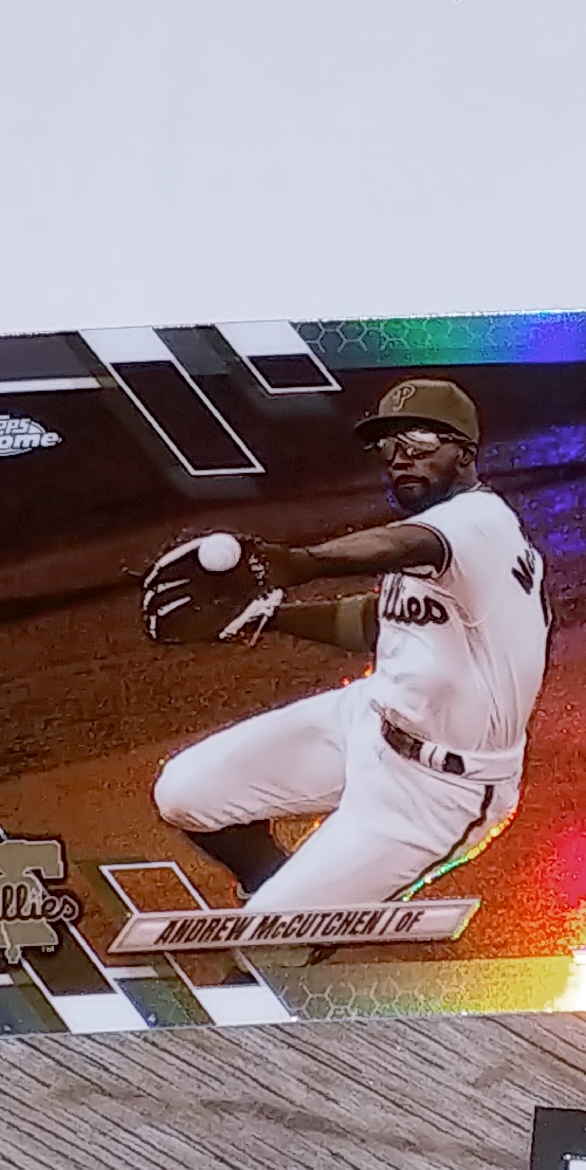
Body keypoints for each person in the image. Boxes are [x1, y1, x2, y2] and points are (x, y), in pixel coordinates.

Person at [153, 378, 552, 910]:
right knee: (182, 793)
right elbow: (380, 623)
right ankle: (283, 889)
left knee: (266, 937)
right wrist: (269, 617)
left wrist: (299, 563)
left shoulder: (479, 523)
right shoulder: (444, 539)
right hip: (367, 722)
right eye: (389, 445)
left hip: (442, 790)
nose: (402, 457)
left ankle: (293, 922)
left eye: (419, 441)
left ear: (464, 452)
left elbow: (393, 543)